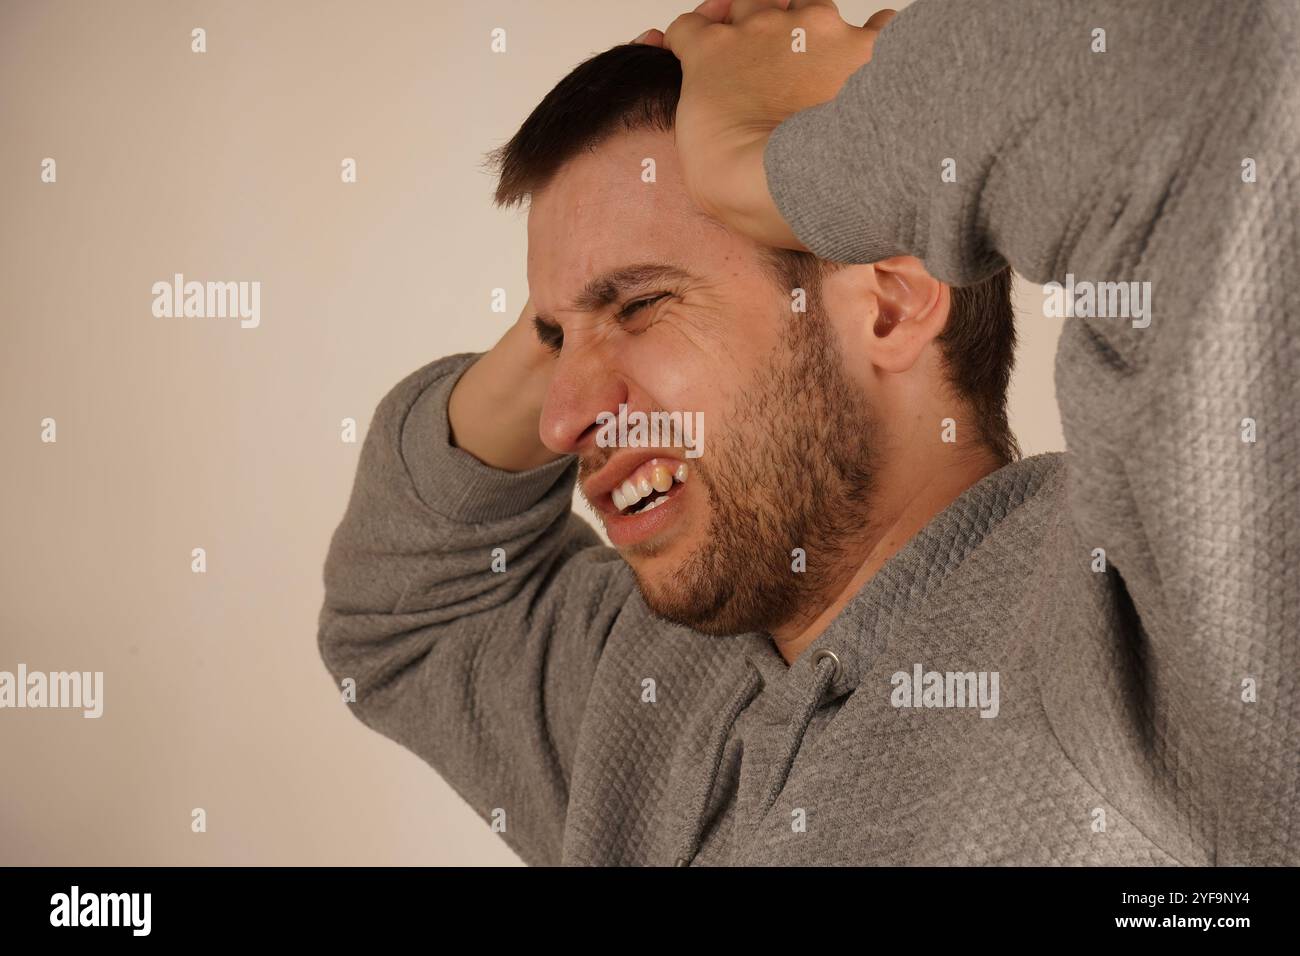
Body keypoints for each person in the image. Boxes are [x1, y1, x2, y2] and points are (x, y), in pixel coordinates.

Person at [317, 0, 1299, 865]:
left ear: (888, 300)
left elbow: (1231, 62)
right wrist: (597, 275)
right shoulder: (644, 689)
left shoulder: (1157, 614)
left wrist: (785, 158)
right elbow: (401, 613)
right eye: (549, 338)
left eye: (643, 303)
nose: (562, 417)